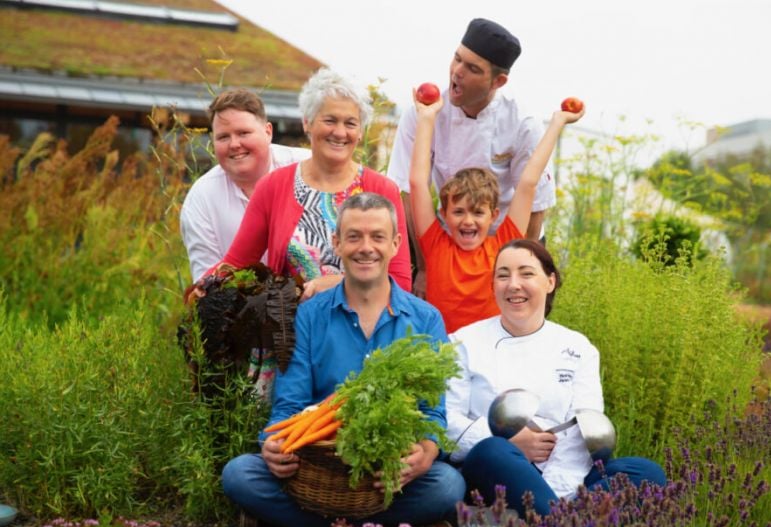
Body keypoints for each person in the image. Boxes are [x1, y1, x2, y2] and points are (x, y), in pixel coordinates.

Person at [221, 193, 465, 527]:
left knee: (447, 485)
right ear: (337, 242)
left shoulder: (426, 319)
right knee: (240, 474)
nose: (366, 247)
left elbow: (432, 413)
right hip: (318, 469)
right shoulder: (308, 316)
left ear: (395, 244)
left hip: (384, 475)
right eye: (354, 236)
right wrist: (272, 444)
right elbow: (289, 405)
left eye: (377, 236)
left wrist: (425, 452)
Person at [445, 239, 666, 517]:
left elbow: (585, 430)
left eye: (526, 273)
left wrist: (556, 489)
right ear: (493, 286)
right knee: (492, 451)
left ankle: (550, 521)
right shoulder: (463, 342)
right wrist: (512, 443)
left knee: (646, 473)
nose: (513, 284)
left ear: (550, 282)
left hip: (563, 469)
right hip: (496, 469)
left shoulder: (578, 347)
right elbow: (447, 423)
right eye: (503, 275)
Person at [206, 68, 412, 299]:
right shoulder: (273, 186)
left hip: (365, 330)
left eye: (351, 123)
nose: (340, 132)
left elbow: (401, 283)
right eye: (330, 120)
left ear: (361, 132)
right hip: (291, 330)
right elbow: (235, 266)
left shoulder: (383, 190)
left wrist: (342, 284)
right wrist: (200, 291)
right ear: (307, 123)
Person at [387, 18, 555, 297]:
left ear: (498, 82)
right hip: (443, 242)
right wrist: (426, 267)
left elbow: (536, 205)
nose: (457, 72)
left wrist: (517, 271)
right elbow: (407, 189)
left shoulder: (523, 122)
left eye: (472, 68)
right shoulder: (423, 111)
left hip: (510, 239)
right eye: (457, 59)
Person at [409, 91, 583, 333]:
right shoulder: (435, 244)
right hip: (446, 357)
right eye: (458, 212)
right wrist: (427, 118)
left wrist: (557, 123)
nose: (468, 221)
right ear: (444, 213)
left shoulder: (502, 246)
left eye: (477, 213)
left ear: (493, 216)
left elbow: (528, 183)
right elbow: (417, 182)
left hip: (493, 354)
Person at [180, 89, 311, 282]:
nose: (234, 144)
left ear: (268, 132)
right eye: (223, 137)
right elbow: (206, 286)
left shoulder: (308, 169)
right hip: (242, 307)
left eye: (243, 133)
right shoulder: (201, 199)